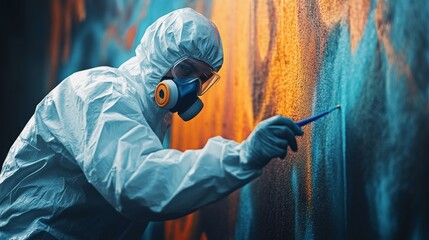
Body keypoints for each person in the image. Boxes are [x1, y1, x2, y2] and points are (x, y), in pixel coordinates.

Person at [0, 8, 303, 239]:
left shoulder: (145, 118)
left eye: (202, 78)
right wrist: (243, 155)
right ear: (159, 60)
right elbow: (137, 183)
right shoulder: (100, 93)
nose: (191, 86)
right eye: (185, 69)